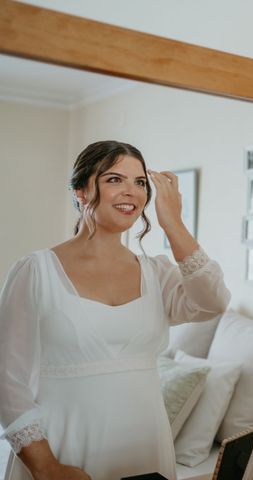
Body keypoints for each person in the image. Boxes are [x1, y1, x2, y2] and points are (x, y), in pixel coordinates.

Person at [0, 141, 231, 480]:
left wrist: (173, 225)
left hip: (146, 447)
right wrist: (46, 466)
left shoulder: (157, 273)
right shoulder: (36, 271)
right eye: (114, 179)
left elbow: (214, 302)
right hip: (63, 447)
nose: (131, 192)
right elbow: (8, 380)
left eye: (140, 182)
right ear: (81, 190)